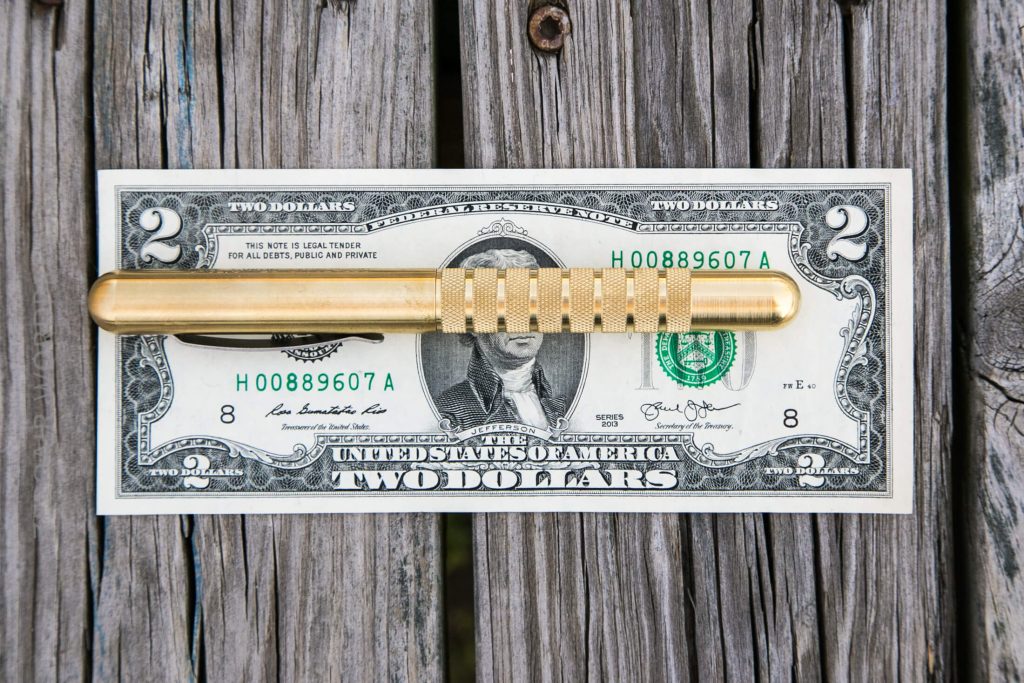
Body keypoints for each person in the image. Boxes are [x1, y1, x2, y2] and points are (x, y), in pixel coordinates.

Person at [435, 248, 568, 430]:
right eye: (507, 309)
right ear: (472, 323)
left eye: (534, 305)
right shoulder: (449, 410)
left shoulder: (561, 406)